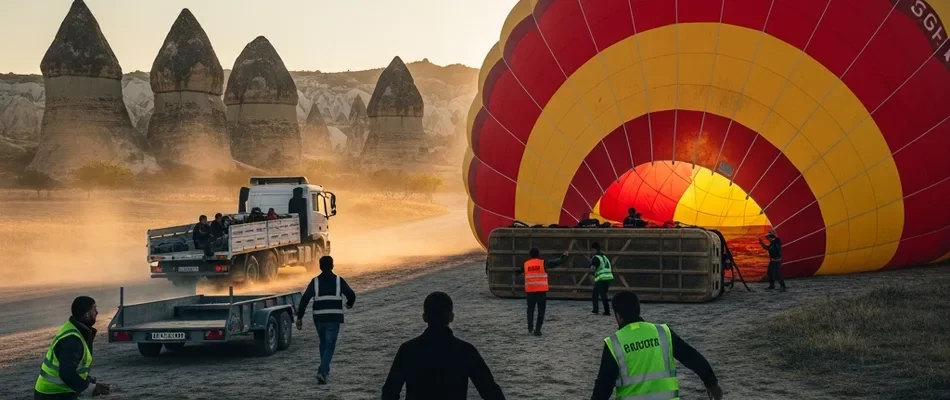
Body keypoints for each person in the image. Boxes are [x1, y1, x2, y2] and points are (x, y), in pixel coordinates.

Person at [591, 291, 723, 400]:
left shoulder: (614, 343)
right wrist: (712, 383)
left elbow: (603, 387)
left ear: (618, 316)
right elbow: (691, 357)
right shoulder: (663, 332)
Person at [381, 292, 506, 400]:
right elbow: (490, 391)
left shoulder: (407, 350)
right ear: (451, 317)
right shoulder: (465, 351)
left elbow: (389, 392)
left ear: (425, 317)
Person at [34, 296, 110, 399]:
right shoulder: (72, 340)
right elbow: (67, 373)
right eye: (94, 309)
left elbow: (75, 367)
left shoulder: (74, 329)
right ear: (87, 314)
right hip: (54, 394)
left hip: (58, 392)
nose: (97, 312)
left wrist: (90, 382)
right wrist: (90, 388)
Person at [295, 256, 356, 384]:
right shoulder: (339, 280)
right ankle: (322, 372)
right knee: (330, 345)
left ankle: (324, 371)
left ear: (320, 266)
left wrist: (300, 317)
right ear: (332, 266)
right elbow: (351, 295)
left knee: (323, 343)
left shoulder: (315, 281)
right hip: (334, 317)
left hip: (319, 318)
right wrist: (350, 304)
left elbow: (305, 299)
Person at [515, 248, 567, 336]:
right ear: (539, 254)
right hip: (541, 291)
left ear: (530, 255)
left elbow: (518, 273)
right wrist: (564, 256)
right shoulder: (543, 263)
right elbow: (556, 262)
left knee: (530, 310)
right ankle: (538, 330)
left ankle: (530, 328)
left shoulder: (526, 264)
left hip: (530, 291)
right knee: (541, 310)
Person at [589, 242, 614, 315]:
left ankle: (598, 310)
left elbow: (592, 269)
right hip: (609, 277)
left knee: (597, 294)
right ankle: (604, 310)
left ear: (594, 250)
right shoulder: (604, 257)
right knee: (602, 294)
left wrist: (592, 277)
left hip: (601, 278)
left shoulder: (595, 258)